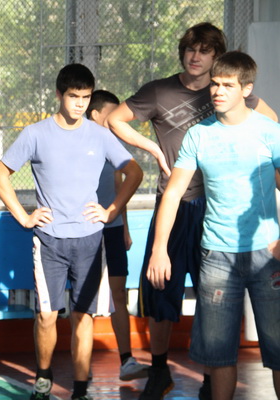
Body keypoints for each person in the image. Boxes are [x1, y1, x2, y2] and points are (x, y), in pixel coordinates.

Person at [107, 22, 278, 400]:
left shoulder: (234, 97)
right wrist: (154, 150)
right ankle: (160, 370)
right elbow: (113, 119)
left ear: (219, 59)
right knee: (160, 290)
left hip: (220, 210)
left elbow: (272, 127)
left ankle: (210, 380)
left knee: (216, 299)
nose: (195, 57)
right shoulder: (161, 92)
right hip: (177, 203)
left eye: (205, 51)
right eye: (190, 49)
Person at [0, 64, 143, 400]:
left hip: (90, 242)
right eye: (74, 96)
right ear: (59, 94)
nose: (79, 104)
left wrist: (111, 211)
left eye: (85, 97)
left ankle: (80, 389)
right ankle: (43, 378)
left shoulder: (100, 135)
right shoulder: (35, 134)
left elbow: (134, 172)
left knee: (83, 317)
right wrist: (24, 216)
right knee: (47, 317)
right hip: (49, 241)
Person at [147, 50, 280, 400]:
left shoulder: (270, 132)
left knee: (279, 352)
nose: (218, 91)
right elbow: (173, 194)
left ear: (246, 89)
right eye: (215, 84)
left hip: (267, 256)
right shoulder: (198, 135)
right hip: (216, 258)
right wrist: (159, 249)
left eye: (227, 85)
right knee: (219, 355)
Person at [86, 90, 149, 381]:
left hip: (111, 230)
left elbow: (118, 185)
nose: (115, 120)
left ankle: (126, 361)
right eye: (110, 115)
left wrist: (123, 225)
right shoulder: (76, 142)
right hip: (85, 231)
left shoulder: (112, 145)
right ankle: (81, 365)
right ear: (95, 114)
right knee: (84, 298)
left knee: (118, 294)